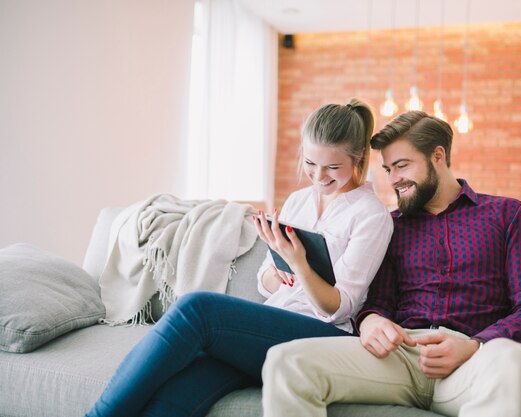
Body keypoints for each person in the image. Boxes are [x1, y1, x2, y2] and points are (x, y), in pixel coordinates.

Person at [84, 99, 393, 417]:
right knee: (181, 387)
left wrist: (300, 265)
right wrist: (279, 273)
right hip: (276, 320)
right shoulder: (299, 201)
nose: (318, 176)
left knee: (198, 309)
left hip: (326, 336)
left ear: (357, 160)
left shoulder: (372, 215)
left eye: (333, 167)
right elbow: (265, 281)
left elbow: (340, 306)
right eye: (311, 163)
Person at [262, 111, 521, 417]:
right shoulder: (391, 225)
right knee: (287, 360)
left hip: (472, 358)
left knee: (516, 361)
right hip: (400, 354)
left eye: (402, 166)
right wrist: (371, 321)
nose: (393, 180)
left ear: (437, 156)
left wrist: (475, 346)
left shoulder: (504, 214)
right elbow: (376, 302)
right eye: (388, 169)